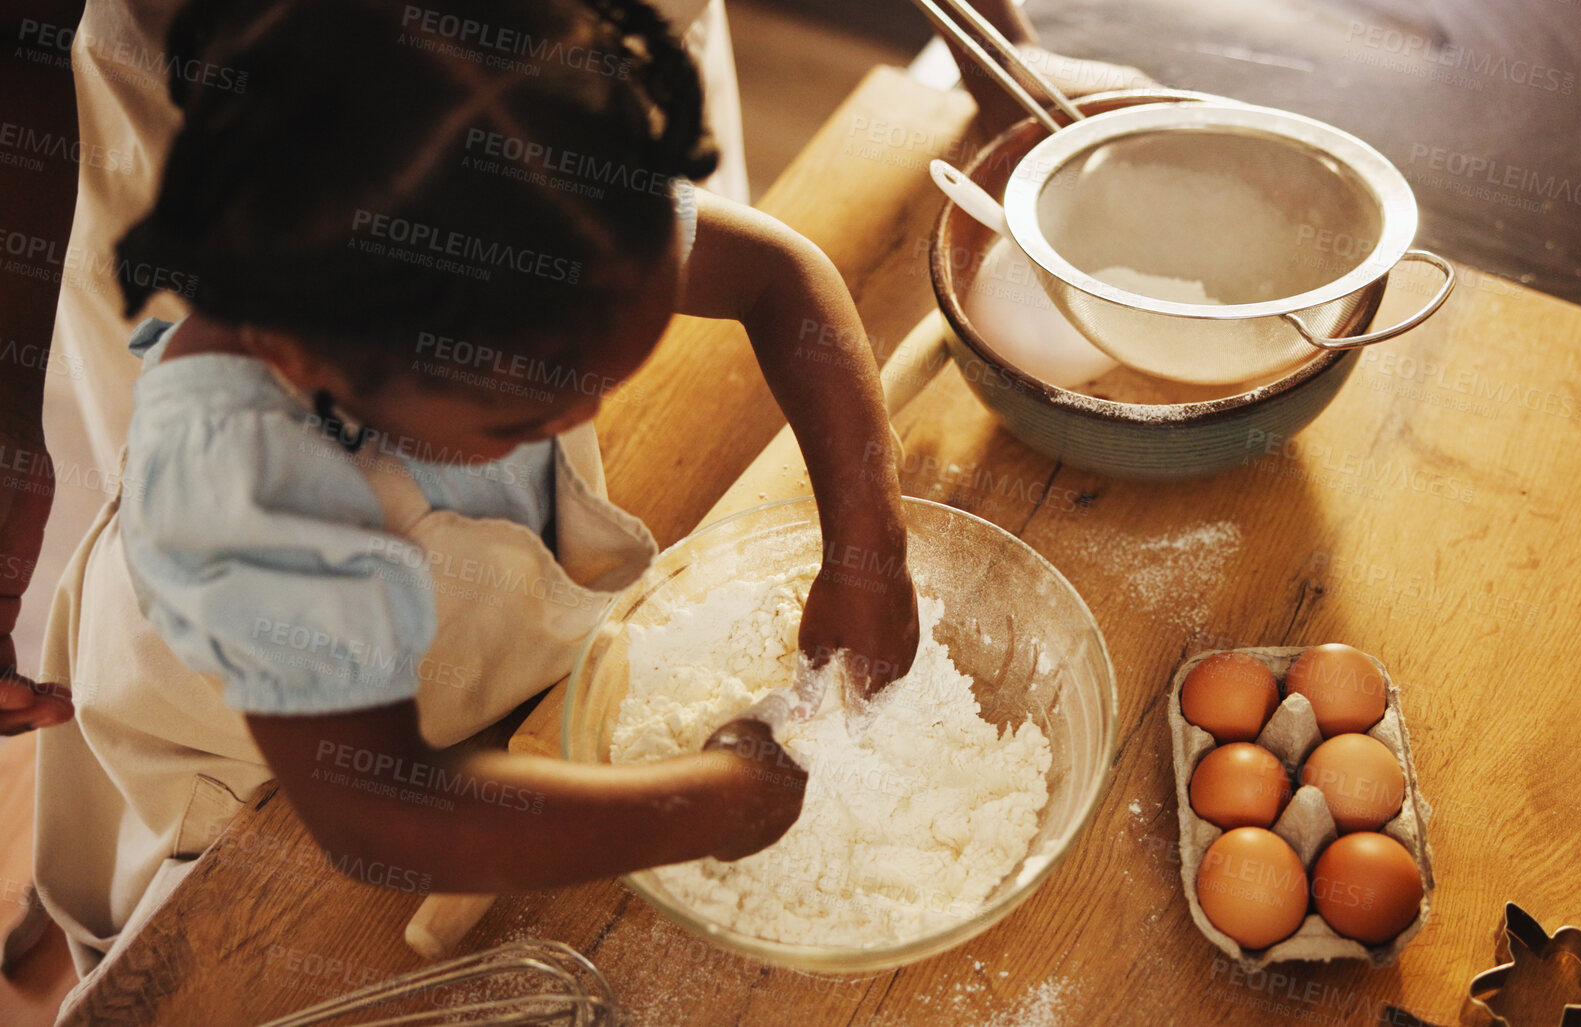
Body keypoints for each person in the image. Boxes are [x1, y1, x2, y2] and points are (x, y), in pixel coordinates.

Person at [27, 0, 925, 1006]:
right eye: (528, 412)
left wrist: (867, 549)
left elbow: (778, 275)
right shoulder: (243, 488)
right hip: (258, 788)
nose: (583, 412)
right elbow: (381, 815)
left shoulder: (501, 203)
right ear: (322, 357)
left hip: (464, 698)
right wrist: (716, 799)